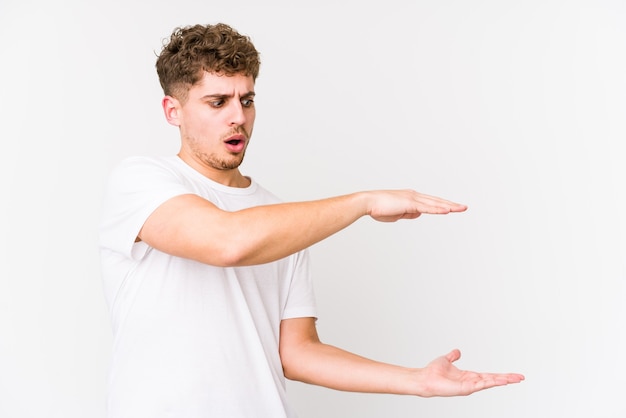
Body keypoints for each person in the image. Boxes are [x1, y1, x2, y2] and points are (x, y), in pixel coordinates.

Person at [99, 22, 524, 418]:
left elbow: (297, 352)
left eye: (247, 100)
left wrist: (417, 381)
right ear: (172, 110)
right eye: (218, 102)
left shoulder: (282, 219)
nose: (238, 117)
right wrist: (364, 202)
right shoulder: (141, 181)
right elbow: (226, 242)